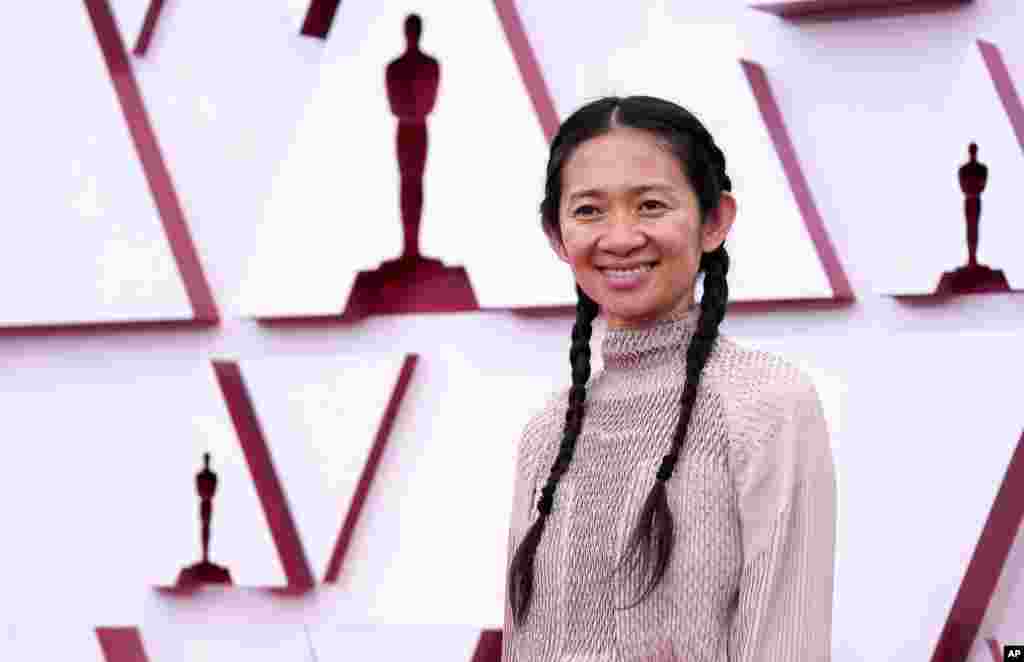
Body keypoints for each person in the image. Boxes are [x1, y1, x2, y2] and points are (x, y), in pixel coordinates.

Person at [502, 95, 836, 661]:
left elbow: (788, 643)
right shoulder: (547, 434)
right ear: (556, 236)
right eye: (589, 211)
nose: (621, 236)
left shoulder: (766, 406)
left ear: (715, 221)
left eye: (651, 205)